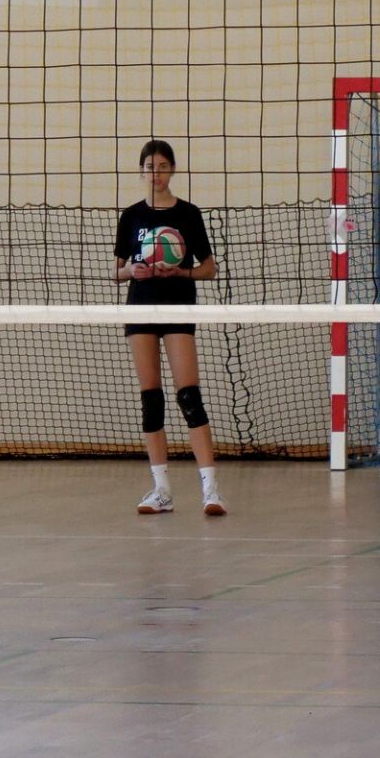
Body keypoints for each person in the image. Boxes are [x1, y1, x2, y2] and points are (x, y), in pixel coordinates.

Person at [112, 139, 226, 517]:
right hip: (141, 308)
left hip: (178, 306)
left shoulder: (188, 214)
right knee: (151, 399)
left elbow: (209, 269)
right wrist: (133, 270)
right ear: (142, 171)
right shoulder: (131, 216)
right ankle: (161, 491)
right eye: (150, 167)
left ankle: (211, 490)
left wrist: (181, 272)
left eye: (163, 166)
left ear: (172, 170)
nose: (156, 173)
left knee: (189, 396)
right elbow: (116, 271)